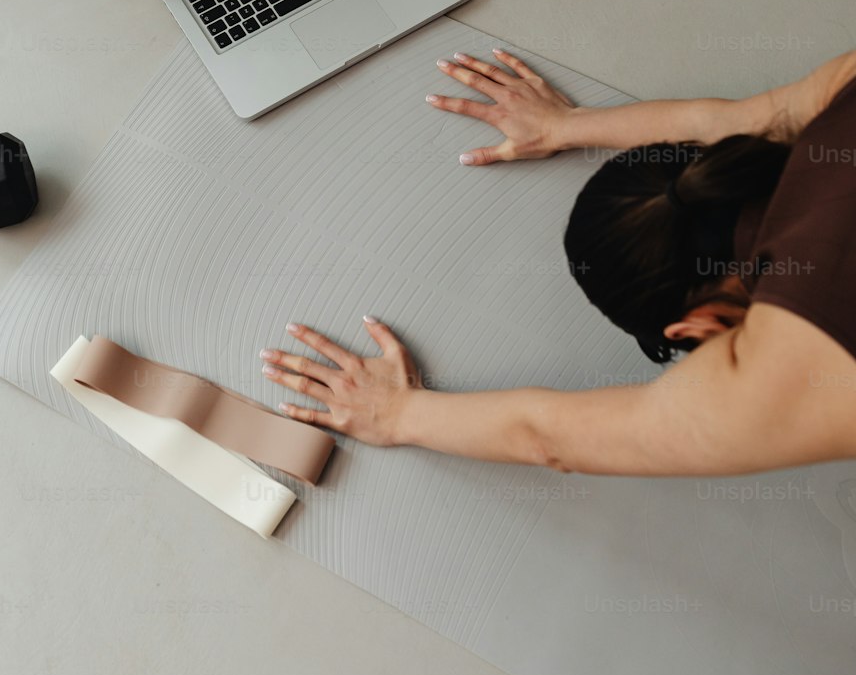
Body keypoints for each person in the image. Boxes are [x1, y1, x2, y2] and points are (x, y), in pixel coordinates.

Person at [260, 47, 856, 475]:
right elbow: (737, 121)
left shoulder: (779, 371)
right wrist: (569, 124)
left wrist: (397, 413)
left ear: (697, 328)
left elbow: (551, 439)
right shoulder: (839, 95)